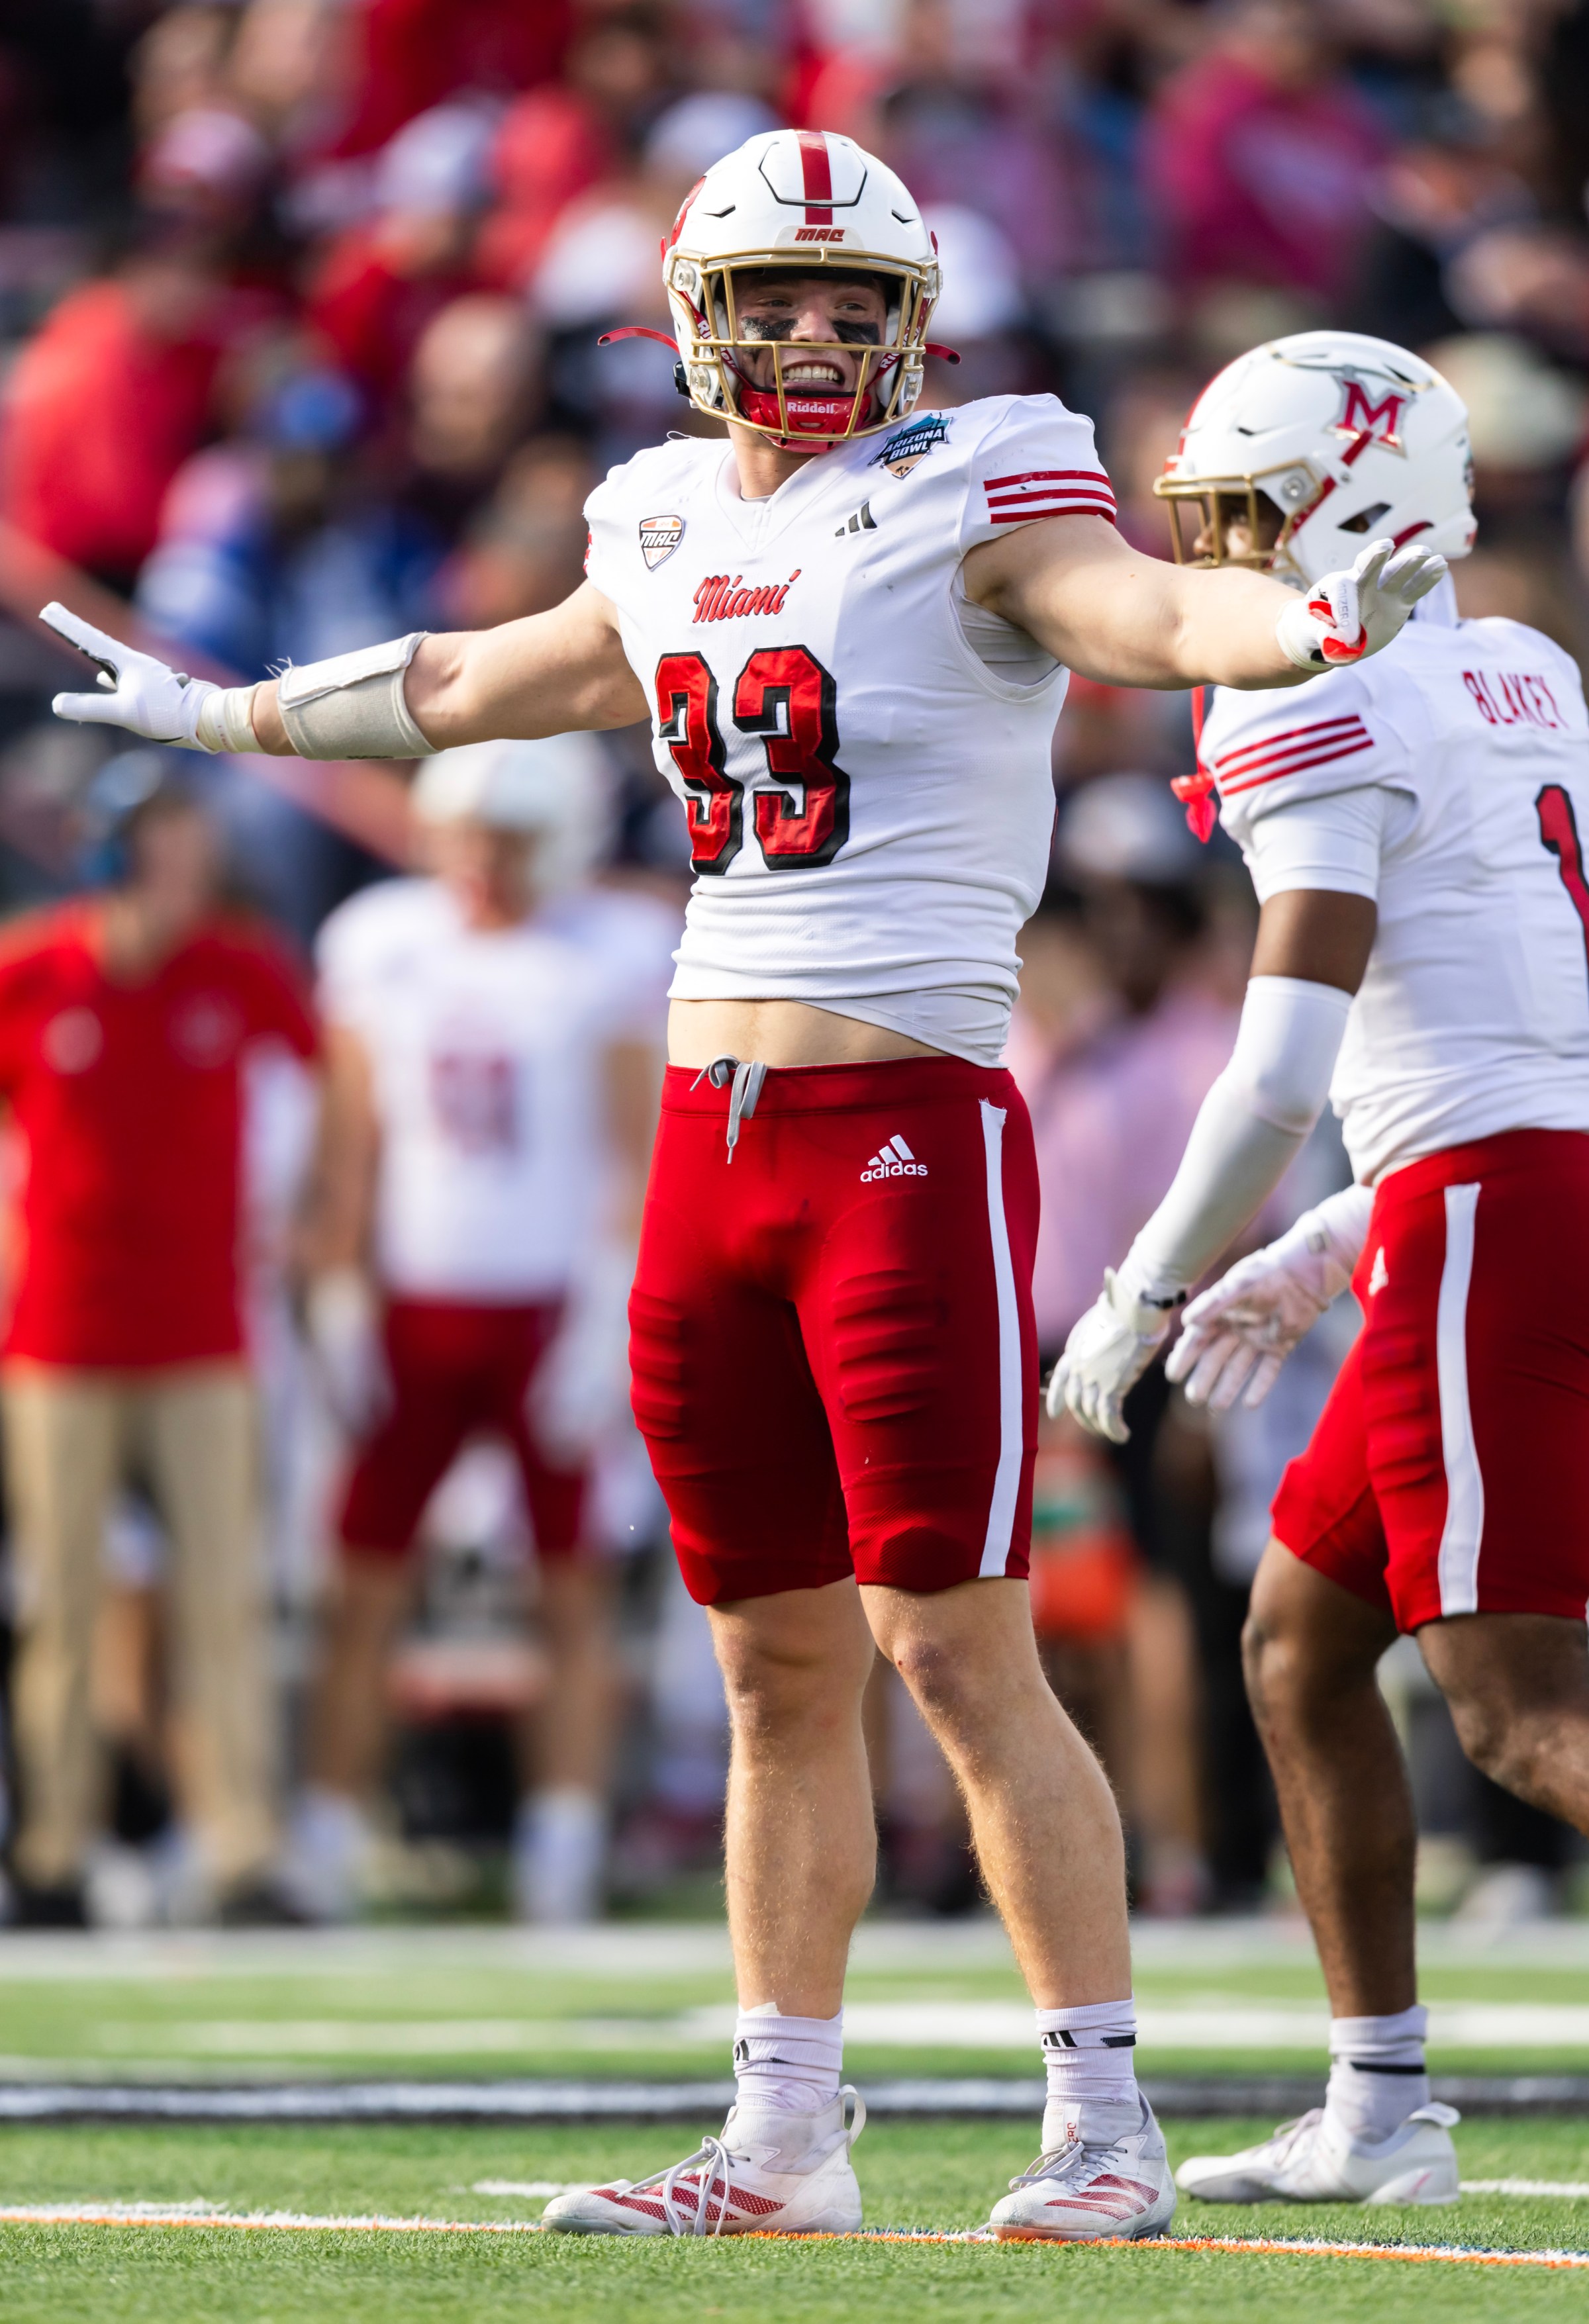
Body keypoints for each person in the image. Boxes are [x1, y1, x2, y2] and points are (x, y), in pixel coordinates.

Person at [42, 131, 1443, 2241]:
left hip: (904, 1134)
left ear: (911, 320)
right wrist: (234, 716)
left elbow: (1138, 610)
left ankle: (1104, 2124)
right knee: (770, 1663)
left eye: (844, 298)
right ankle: (784, 2133)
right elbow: (485, 679)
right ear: (699, 318)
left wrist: (1299, 616)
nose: (807, 330)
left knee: (956, 1644)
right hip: (709, 1150)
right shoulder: (664, 507)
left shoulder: (991, 471)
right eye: (770, 296)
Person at [1051, 328, 1589, 2206]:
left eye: (1246, 510)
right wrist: (1334, 1237)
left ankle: (1384, 2102)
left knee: (1523, 1718)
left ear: (1356, 499)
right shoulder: (1519, 667)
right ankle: (1380, 2106)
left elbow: (1285, 1066)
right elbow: (1521, 1027)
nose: (1218, 550)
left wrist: (1139, 1286)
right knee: (1299, 1637)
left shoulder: (1313, 703)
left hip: (1490, 1213)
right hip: (1500, 1188)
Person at [288, 733, 661, 1925]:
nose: (485, 867)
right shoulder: (383, 942)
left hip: (549, 1302)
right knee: (364, 1581)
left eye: (511, 843)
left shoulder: (606, 952)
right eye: (471, 840)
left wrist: (608, 1308)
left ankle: (563, 1838)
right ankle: (330, 1832)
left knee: (570, 1586)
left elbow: (629, 1148)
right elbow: (352, 1140)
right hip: (416, 1300)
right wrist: (340, 1290)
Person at [0, 754, 319, 1925]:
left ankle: (241, 1843)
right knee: (62, 1604)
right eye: (161, 834)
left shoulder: (237, 967)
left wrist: (311, 1230)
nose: (183, 857)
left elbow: (322, 1095)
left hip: (201, 1331)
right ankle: (53, 1849)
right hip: (59, 1335)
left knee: (223, 1597)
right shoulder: (34, 969)